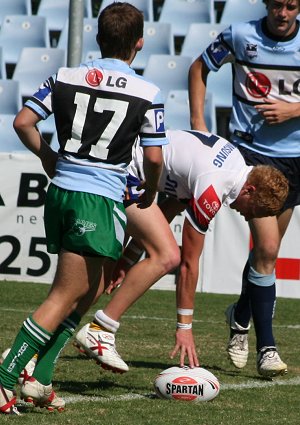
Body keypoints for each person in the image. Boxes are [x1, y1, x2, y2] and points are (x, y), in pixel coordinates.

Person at [0, 2, 180, 415]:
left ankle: (40, 380)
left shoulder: (64, 76)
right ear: (138, 44)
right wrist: (151, 192)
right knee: (65, 295)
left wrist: (49, 157)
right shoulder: (147, 91)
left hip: (62, 191)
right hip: (97, 197)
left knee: (89, 291)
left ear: (98, 38)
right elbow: (154, 158)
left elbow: (23, 122)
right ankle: (6, 378)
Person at [73, 129, 289, 374]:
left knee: (101, 275)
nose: (248, 216)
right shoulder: (214, 186)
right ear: (249, 190)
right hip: (120, 170)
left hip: (122, 164)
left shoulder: (235, 163)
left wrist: (129, 258)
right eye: (254, 210)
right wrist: (184, 328)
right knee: (167, 256)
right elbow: (188, 263)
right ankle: (99, 329)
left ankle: (49, 346)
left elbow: (165, 210)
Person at [188, 0, 300, 377]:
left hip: (295, 161)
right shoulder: (241, 35)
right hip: (253, 157)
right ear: (267, 4)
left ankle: (239, 315)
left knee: (265, 256)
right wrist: (198, 121)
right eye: (278, 5)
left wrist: (293, 111)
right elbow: (199, 67)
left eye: (292, 6)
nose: (283, 14)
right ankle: (266, 349)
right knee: (266, 249)